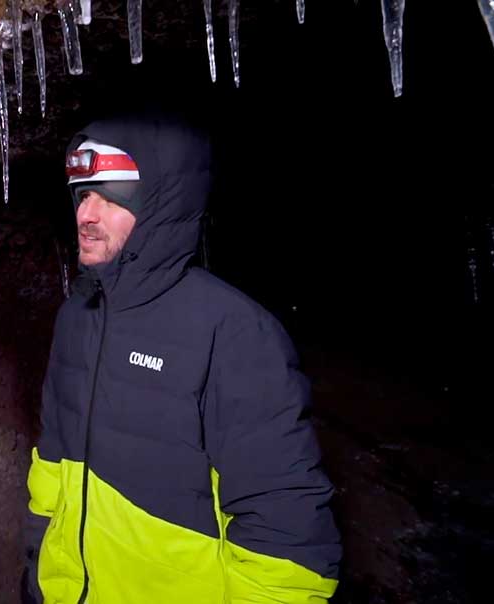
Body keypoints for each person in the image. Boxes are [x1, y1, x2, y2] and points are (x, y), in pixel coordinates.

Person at [23, 112, 342, 603]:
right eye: (84, 194)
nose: (87, 214)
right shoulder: (75, 318)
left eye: (111, 197)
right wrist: (38, 578)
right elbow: (51, 470)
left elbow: (287, 542)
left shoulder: (234, 332)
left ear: (160, 205)